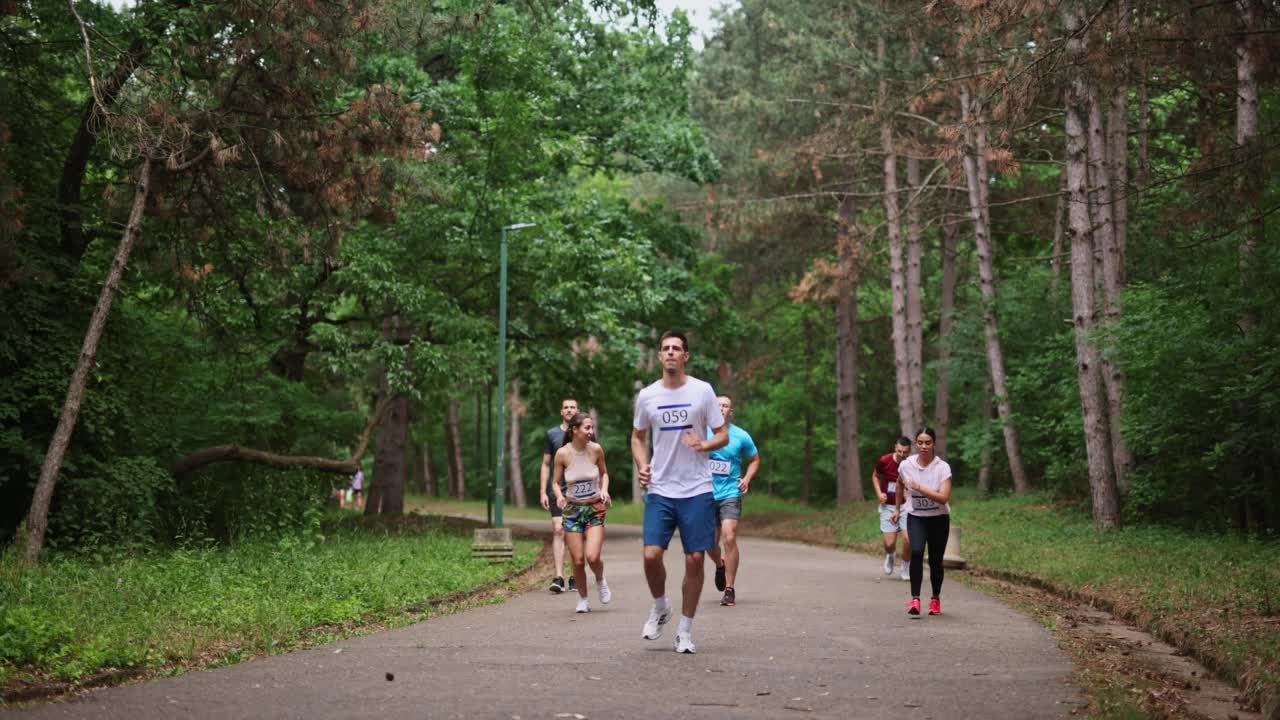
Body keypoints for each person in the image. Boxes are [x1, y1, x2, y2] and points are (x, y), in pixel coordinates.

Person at [632, 331, 729, 654]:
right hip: (661, 486)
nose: (671, 353)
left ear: (686, 356)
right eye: (666, 349)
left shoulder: (702, 391)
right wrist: (642, 464)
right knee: (650, 555)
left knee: (696, 557)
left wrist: (705, 444)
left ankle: (685, 631)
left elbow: (723, 435)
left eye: (677, 348)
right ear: (660, 356)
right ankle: (661, 607)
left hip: (697, 487)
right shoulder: (647, 396)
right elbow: (636, 436)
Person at [552, 412, 613, 614]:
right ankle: (583, 599)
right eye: (587, 428)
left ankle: (600, 579)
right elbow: (555, 482)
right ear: (574, 430)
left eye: (592, 428)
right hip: (572, 510)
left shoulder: (596, 450)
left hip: (594, 508)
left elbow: (604, 474)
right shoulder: (562, 454)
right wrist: (559, 496)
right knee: (578, 560)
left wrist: (604, 490)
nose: (591, 432)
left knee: (593, 557)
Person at [705, 395, 759, 607]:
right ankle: (720, 564)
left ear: (731, 412)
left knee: (729, 537)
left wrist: (746, 478)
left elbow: (755, 459)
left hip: (730, 493)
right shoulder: (703, 432)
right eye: (717, 405)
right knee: (709, 542)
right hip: (706, 493)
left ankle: (729, 588)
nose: (721, 408)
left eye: (725, 405)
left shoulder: (741, 436)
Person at [893, 427, 952, 616]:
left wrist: (919, 487)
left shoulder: (942, 467)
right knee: (916, 551)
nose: (924, 446)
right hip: (916, 517)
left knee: (935, 560)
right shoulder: (906, 465)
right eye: (920, 443)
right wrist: (897, 508)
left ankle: (935, 598)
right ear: (915, 445)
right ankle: (915, 599)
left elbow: (943, 498)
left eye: (928, 443)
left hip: (938, 519)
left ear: (934, 444)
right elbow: (900, 484)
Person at [540, 398, 579, 593]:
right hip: (557, 490)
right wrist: (542, 491)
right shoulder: (552, 434)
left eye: (573, 407)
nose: (569, 410)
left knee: (575, 532)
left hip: (579, 490)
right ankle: (558, 577)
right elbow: (546, 464)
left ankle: (575, 576)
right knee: (558, 530)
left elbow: (595, 461)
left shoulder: (585, 432)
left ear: (577, 410)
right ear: (561, 412)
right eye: (566, 407)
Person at [872, 437, 913, 581]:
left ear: (910, 450)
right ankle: (890, 555)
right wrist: (879, 493)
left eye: (905, 452)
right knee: (889, 544)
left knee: (909, 539)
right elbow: (875, 476)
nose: (902, 454)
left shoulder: (912, 463)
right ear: (895, 447)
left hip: (906, 506)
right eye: (899, 451)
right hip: (887, 505)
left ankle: (904, 566)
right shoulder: (884, 460)